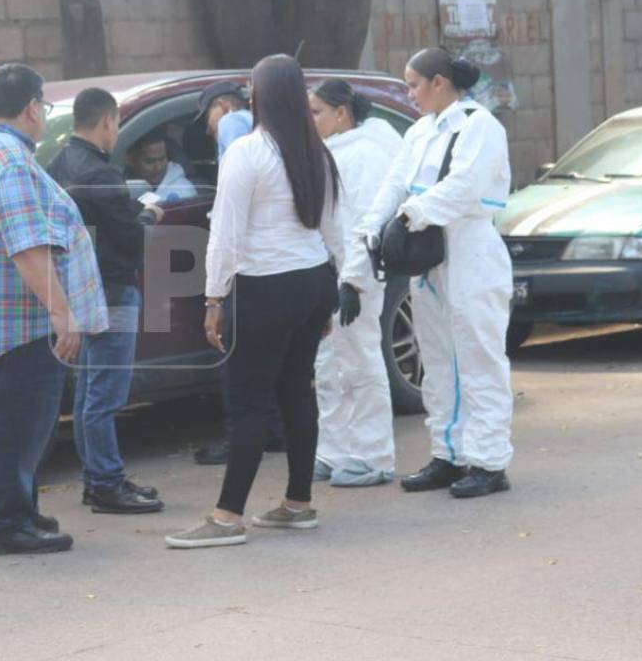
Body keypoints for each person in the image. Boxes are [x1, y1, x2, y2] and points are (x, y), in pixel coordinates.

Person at [165, 55, 369, 548]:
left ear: (257, 97)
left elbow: (225, 234)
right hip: (311, 281)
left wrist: (213, 298)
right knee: (297, 392)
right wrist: (337, 287)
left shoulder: (247, 151)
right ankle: (297, 504)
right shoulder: (315, 151)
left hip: (263, 287)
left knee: (248, 403)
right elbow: (335, 228)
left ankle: (228, 515)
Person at [0, 63, 108, 556]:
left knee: (4, 421)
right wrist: (62, 314)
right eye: (44, 107)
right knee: (19, 425)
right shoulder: (9, 161)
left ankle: (20, 508)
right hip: (14, 325)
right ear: (32, 107)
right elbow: (27, 247)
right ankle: (7, 524)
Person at [360, 48, 515, 499]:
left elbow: (464, 187)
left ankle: (488, 461)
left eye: (413, 85)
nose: (409, 94)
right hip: (427, 254)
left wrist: (409, 215)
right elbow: (395, 181)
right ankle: (448, 453)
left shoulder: (479, 125)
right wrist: (373, 226)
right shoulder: (422, 131)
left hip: (469, 248)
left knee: (479, 358)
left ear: (439, 83)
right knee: (438, 359)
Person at [46, 88, 166, 515]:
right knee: (105, 396)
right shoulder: (101, 174)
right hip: (112, 288)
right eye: (116, 125)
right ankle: (106, 485)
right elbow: (131, 238)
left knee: (88, 394)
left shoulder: (60, 163)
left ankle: (98, 477)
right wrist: (150, 215)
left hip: (79, 288)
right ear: (107, 123)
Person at [308, 79, 403, 487]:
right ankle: (334, 449)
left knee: (360, 359)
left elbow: (366, 223)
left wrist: (354, 281)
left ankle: (373, 455)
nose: (310, 120)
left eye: (317, 112)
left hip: (355, 276)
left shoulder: (364, 155)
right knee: (328, 365)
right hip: (329, 273)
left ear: (341, 113)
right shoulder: (332, 153)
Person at [192, 80, 286, 466]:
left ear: (223, 106)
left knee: (237, 359)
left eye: (207, 117)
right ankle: (276, 430)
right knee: (271, 357)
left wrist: (215, 294)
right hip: (279, 262)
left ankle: (241, 441)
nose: (207, 128)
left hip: (245, 262)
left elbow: (234, 199)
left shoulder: (234, 123)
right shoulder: (274, 132)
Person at [125, 129, 198, 202]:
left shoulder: (182, 192)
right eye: (150, 162)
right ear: (131, 161)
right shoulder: (122, 180)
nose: (158, 167)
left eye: (162, 159)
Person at [197, 80, 254, 158]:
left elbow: (238, 162)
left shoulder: (230, 120)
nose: (208, 130)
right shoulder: (250, 118)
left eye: (207, 116)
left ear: (222, 105)